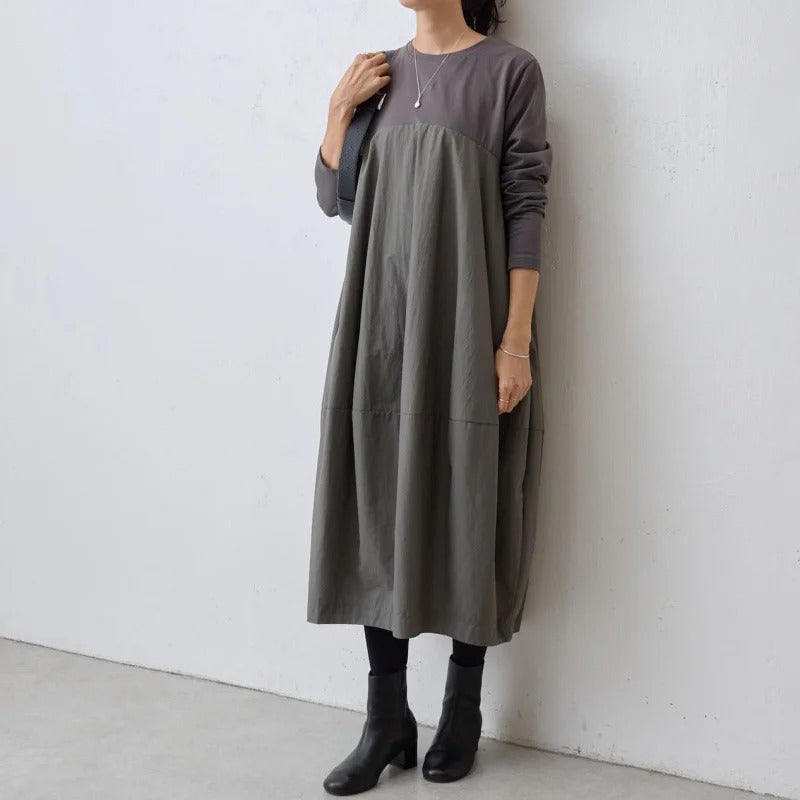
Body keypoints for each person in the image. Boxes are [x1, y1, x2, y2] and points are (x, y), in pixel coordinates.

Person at [307, 0, 553, 794]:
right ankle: (385, 719)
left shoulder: (510, 72)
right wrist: (339, 109)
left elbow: (526, 204)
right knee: (376, 493)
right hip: (382, 318)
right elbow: (339, 200)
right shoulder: (377, 74)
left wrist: (513, 341)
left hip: (468, 318)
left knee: (468, 492)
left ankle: (462, 709)